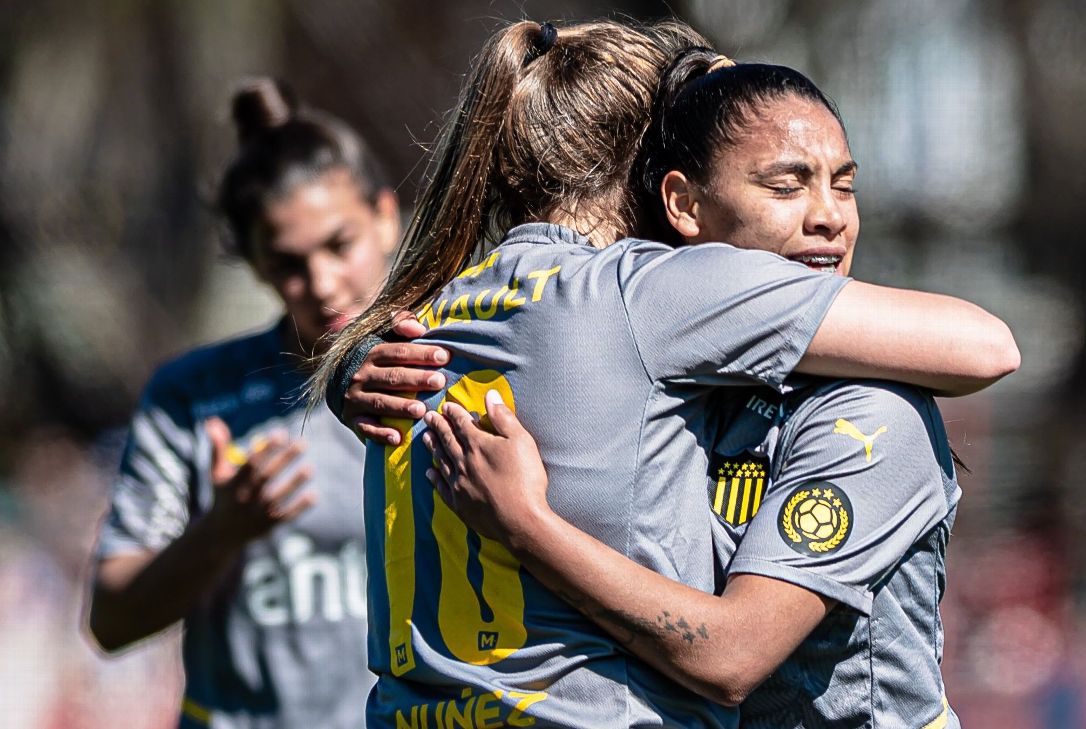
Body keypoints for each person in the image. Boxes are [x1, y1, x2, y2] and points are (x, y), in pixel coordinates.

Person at [310, 19, 1016, 729]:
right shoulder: (651, 300)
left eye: (843, 185)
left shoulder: (431, 322)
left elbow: (732, 653)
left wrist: (527, 521)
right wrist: (347, 371)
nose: (827, 217)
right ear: (675, 191)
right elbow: (980, 344)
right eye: (783, 184)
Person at [87, 79, 399, 729]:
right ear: (255, 264)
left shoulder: (450, 376)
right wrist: (222, 530)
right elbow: (111, 620)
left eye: (339, 245)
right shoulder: (195, 398)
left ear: (386, 217)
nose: (321, 282)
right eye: (288, 263)